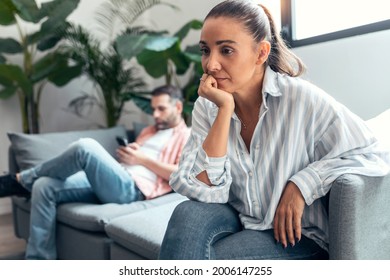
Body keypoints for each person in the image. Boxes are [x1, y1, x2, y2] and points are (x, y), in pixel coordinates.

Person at [158, 0, 390, 260]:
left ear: (261, 53)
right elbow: (202, 191)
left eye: (226, 50)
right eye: (205, 50)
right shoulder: (208, 106)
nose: (211, 64)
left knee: (215, 260)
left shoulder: (301, 99)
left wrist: (303, 183)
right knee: (186, 214)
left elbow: (374, 153)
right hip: (240, 214)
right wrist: (224, 112)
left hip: (297, 236)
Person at [0, 85, 190, 259]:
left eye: (161, 109)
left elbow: (180, 174)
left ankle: (20, 179)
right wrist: (128, 155)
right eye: (153, 109)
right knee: (43, 185)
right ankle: (38, 261)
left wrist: (142, 159)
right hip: (116, 177)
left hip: (132, 188)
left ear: (178, 107)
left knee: (85, 146)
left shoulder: (188, 135)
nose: (155, 114)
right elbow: (134, 158)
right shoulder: (149, 131)